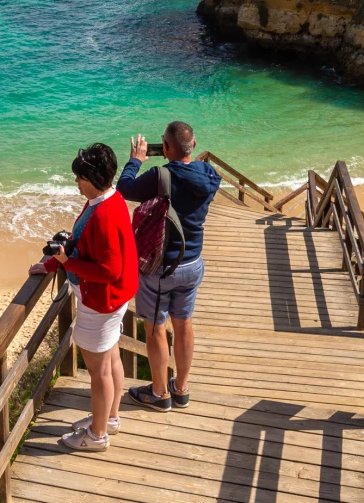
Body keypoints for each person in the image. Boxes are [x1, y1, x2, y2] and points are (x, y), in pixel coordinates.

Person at [28, 143, 138, 452]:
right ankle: (110, 418)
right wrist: (53, 262)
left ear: (90, 177)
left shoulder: (103, 215)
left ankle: (97, 435)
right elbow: (80, 241)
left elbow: (108, 270)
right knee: (112, 357)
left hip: (101, 301)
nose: (76, 182)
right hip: (115, 300)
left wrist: (66, 263)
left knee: (98, 371)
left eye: (79, 177)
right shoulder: (109, 199)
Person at [118, 121, 220, 412]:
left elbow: (124, 188)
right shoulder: (209, 174)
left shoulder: (160, 175)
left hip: (160, 268)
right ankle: (182, 388)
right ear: (195, 145)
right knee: (184, 324)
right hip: (192, 263)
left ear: (164, 148)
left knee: (156, 329)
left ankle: (160, 393)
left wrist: (135, 160)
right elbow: (193, 179)